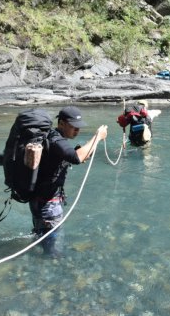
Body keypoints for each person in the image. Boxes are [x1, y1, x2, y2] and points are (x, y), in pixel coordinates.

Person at [28, 105, 108, 256]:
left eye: (78, 127)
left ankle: (34, 259)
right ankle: (52, 266)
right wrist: (97, 137)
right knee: (54, 250)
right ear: (61, 123)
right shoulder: (56, 140)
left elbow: (66, 157)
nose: (77, 131)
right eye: (73, 127)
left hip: (37, 199)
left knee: (40, 236)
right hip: (48, 205)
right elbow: (76, 158)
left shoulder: (50, 136)